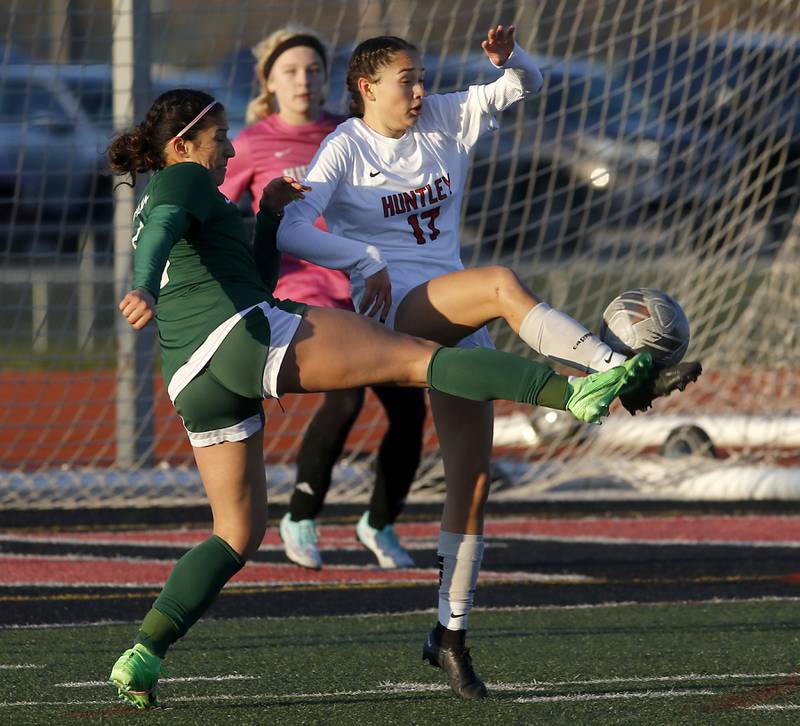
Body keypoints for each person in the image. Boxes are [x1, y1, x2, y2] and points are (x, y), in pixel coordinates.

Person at [105, 86, 658, 709]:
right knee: (421, 362)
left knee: (235, 534)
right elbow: (163, 234)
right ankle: (575, 394)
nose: (230, 147)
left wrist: (266, 217)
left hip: (192, 380)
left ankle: (144, 652)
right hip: (237, 338)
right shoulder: (182, 182)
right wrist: (143, 289)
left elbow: (252, 274)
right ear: (182, 145)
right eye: (220, 137)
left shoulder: (193, 193)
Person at [277, 25, 702, 699]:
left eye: (420, 76)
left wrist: (512, 61)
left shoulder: (444, 115)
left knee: (470, 482)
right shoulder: (345, 148)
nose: (419, 89)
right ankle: (614, 370)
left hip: (454, 311)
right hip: (397, 318)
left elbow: (523, 86)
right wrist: (363, 260)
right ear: (366, 88)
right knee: (502, 281)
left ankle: (448, 633)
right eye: (405, 79)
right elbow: (290, 227)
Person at [220, 27, 426, 571]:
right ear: (269, 81)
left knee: (410, 404)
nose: (304, 80)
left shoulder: (350, 131)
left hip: (364, 286)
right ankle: (301, 516)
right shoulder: (251, 142)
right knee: (348, 395)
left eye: (313, 69)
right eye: (291, 70)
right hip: (303, 291)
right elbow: (216, 213)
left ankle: (378, 525)